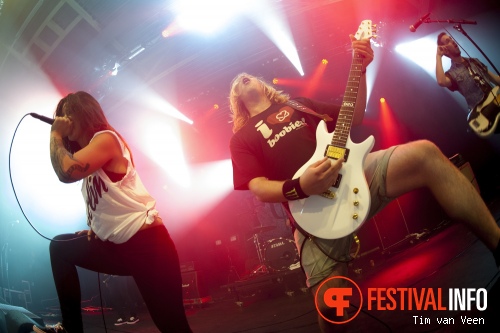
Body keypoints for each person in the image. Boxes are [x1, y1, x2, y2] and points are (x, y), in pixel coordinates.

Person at [228, 34, 500, 332]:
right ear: (237, 100)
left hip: (354, 171)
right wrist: (301, 186)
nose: (243, 79)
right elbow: (257, 187)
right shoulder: (242, 138)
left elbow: (353, 114)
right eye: (238, 82)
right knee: (332, 306)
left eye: (248, 77)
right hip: (312, 212)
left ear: (263, 85)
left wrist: (361, 68)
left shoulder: (299, 104)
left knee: (424, 153)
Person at [33, 91, 192, 333]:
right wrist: (96, 229)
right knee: (60, 247)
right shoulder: (89, 167)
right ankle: (70, 329)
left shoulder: (106, 138)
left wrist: (55, 133)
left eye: (69, 113)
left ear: (85, 112)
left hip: (148, 246)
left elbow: (65, 172)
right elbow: (109, 202)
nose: (64, 119)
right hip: (117, 248)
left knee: (173, 326)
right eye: (61, 116)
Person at [435, 32, 500, 134]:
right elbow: (441, 81)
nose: (452, 41)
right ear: (445, 50)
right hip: (484, 113)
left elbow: (496, 80)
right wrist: (438, 56)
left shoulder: (475, 61)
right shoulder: (452, 73)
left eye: (451, 38)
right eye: (448, 41)